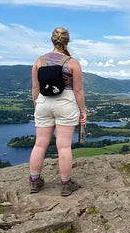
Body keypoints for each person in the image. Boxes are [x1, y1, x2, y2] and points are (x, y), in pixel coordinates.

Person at [28, 27, 86, 196]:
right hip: (66, 103)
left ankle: (34, 182)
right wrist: (83, 111)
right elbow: (78, 91)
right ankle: (66, 184)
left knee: (40, 144)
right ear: (67, 41)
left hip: (43, 102)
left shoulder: (39, 61)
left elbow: (35, 88)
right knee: (63, 146)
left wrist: (37, 105)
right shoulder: (72, 63)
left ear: (52, 40)